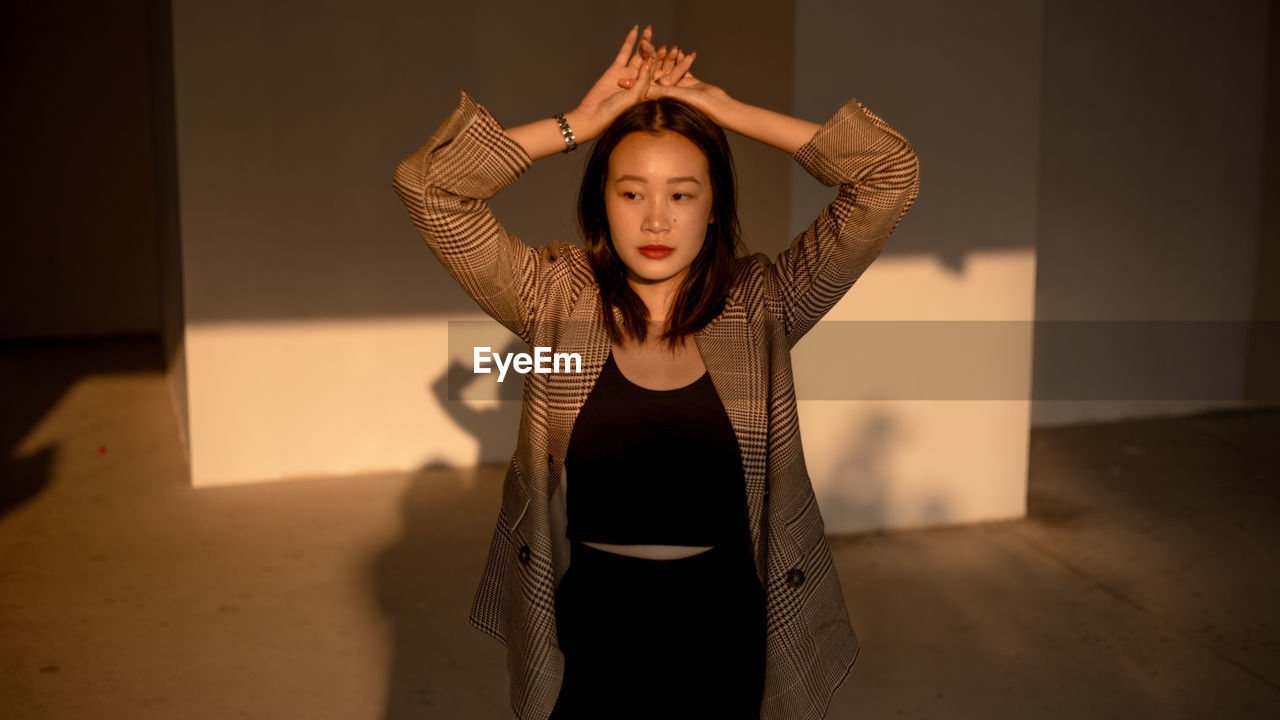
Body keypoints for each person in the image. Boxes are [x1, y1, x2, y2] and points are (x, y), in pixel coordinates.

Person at [393, 25, 920, 720]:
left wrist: (724, 111)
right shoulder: (553, 296)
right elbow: (430, 188)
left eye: (682, 194)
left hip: (727, 626)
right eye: (632, 192)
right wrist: (580, 124)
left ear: (712, 209)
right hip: (592, 626)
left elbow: (888, 175)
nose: (656, 218)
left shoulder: (764, 301)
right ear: (601, 204)